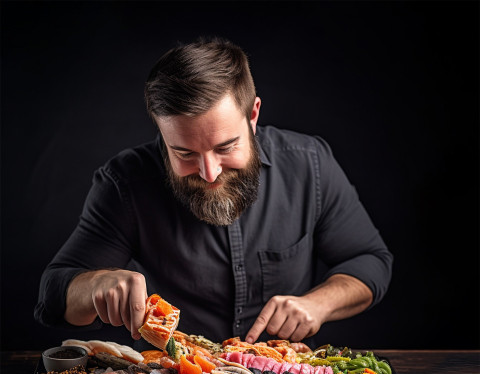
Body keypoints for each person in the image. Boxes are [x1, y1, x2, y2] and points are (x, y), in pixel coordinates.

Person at [34, 38, 393, 350]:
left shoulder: (310, 164)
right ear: (162, 131)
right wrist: (95, 284)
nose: (210, 173)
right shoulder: (124, 182)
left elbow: (371, 261)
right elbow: (53, 296)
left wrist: (319, 303)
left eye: (226, 146)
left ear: (253, 116)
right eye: (184, 153)